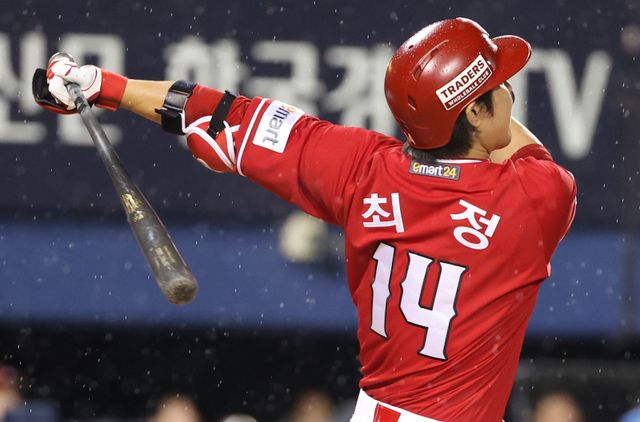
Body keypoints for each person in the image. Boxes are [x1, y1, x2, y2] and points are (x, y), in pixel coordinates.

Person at [33, 17, 577, 422]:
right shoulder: (538, 196)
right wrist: (457, 98)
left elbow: (215, 113)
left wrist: (103, 85)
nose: (510, 92)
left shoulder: (361, 166)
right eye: (498, 86)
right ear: (474, 111)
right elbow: (511, 149)